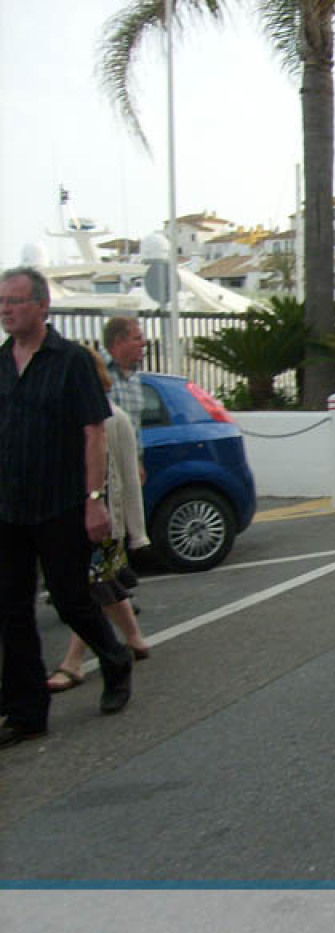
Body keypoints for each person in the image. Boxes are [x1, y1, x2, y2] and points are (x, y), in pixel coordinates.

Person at [0, 266, 133, 749]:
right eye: (2, 302)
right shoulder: (1, 363)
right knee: (12, 610)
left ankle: (114, 660)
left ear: (41, 306)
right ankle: (26, 710)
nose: (7, 310)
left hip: (59, 504)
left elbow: (93, 433)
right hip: (9, 506)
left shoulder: (72, 361)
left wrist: (94, 501)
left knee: (72, 599)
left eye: (15, 301)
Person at [48, 354, 152, 693]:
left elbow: (129, 479)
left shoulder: (114, 419)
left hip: (105, 522)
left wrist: (137, 534)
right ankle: (135, 639)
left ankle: (73, 663)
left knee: (89, 589)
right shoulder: (61, 419)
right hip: (69, 519)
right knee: (104, 584)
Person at [102, 314, 146, 439]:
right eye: (137, 339)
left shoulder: (135, 377)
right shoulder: (95, 372)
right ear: (119, 342)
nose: (143, 343)